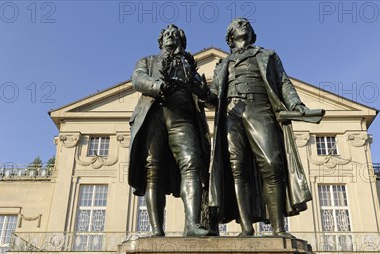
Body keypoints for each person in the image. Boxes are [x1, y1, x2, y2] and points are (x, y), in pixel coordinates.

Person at [207, 18, 315, 238]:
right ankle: (246, 228)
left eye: (246, 23)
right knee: (237, 169)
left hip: (260, 108)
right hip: (231, 113)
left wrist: (295, 104)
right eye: (238, 23)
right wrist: (201, 92)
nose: (243, 24)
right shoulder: (223, 64)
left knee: (271, 163)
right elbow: (214, 97)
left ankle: (278, 228)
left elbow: (283, 82)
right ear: (230, 35)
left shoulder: (267, 56)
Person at [128, 24, 211, 237]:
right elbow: (137, 79)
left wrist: (201, 89)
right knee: (152, 169)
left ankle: (193, 225)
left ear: (182, 40)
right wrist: (157, 86)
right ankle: (157, 230)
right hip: (154, 112)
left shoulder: (189, 65)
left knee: (191, 163)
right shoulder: (148, 61)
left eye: (175, 34)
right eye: (166, 34)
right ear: (161, 40)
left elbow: (207, 96)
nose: (170, 36)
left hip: (183, 114)